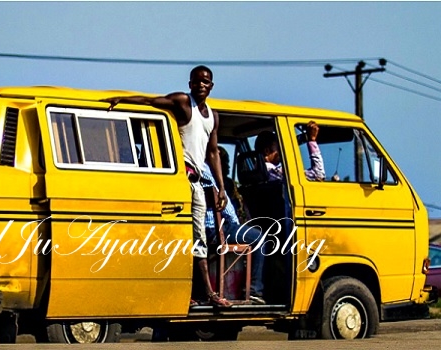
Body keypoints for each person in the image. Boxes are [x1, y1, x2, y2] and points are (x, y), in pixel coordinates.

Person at [101, 65, 231, 307]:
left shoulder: (213, 115)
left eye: (206, 82)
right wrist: (123, 99)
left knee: (198, 239)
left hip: (197, 183)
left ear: (212, 86)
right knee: (178, 237)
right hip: (180, 179)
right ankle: (196, 294)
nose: (201, 85)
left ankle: (206, 294)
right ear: (190, 83)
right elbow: (152, 102)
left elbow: (212, 152)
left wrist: (221, 187)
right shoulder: (183, 103)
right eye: (197, 81)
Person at [201, 163, 266, 305]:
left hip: (199, 230)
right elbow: (227, 209)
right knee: (259, 238)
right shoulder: (205, 169)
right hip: (214, 230)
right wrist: (235, 224)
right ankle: (254, 290)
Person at [254, 121, 325, 182]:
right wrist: (312, 140)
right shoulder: (271, 172)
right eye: (279, 147)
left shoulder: (257, 175)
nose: (281, 151)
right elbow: (318, 174)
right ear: (267, 151)